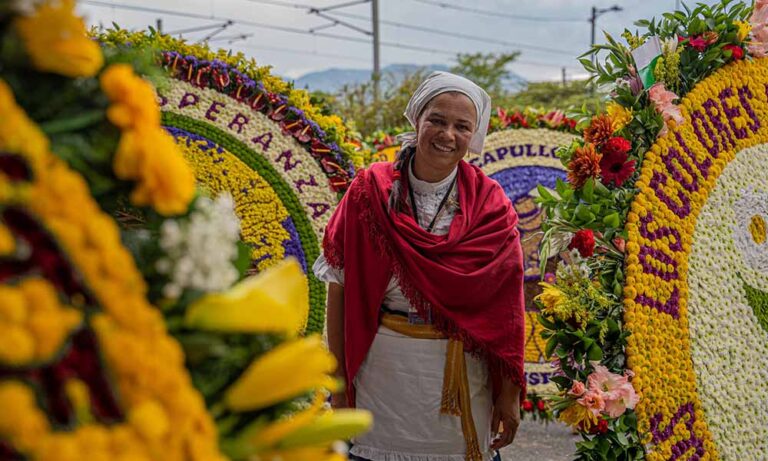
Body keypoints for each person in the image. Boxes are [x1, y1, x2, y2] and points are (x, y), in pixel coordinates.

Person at [314, 71, 526, 461]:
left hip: (462, 380)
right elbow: (338, 288)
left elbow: (508, 308)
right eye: (437, 120)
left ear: (473, 135)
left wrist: (510, 395)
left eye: (462, 126)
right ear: (417, 120)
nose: (447, 135)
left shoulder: (490, 204)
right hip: (383, 376)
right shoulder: (368, 191)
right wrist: (339, 382)